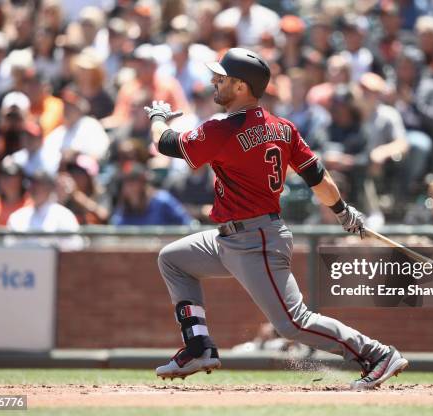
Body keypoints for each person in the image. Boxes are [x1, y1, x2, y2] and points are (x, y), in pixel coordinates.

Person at [145, 48, 408, 390]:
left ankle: (376, 354)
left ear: (241, 87)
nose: (214, 81)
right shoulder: (282, 127)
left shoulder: (223, 127)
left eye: (222, 78)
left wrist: (157, 117)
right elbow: (317, 177)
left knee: (292, 324)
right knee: (174, 260)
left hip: (256, 240)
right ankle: (198, 347)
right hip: (231, 237)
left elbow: (166, 144)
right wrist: (343, 211)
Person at [5, 170, 83, 250]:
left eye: (40, 184)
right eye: (32, 184)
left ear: (50, 188)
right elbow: (10, 249)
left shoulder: (64, 216)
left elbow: (74, 249)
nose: (34, 188)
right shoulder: (17, 217)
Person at [109, 162, 192, 226]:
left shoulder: (162, 200)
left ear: (143, 183)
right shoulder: (124, 208)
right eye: (125, 182)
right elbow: (115, 230)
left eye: (133, 181)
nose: (129, 187)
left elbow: (187, 224)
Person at [0, 156, 32, 226]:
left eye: (10, 176)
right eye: (2, 175)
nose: (5, 179)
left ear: (21, 178)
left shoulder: (31, 203)